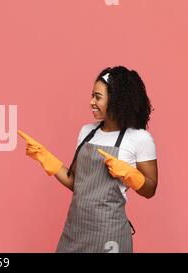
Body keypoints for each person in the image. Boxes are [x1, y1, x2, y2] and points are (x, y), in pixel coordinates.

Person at [18, 66, 158, 253]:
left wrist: (131, 175)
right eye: (92, 95)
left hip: (110, 235)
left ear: (116, 100)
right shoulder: (87, 132)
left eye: (98, 97)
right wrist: (45, 157)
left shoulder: (139, 138)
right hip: (75, 231)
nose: (91, 102)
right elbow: (77, 183)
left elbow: (150, 189)